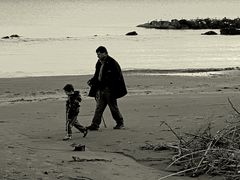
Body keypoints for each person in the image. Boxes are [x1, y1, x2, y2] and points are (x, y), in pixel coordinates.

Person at [87, 46, 127, 131]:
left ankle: (120, 123)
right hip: (101, 89)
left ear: (105, 53)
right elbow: (97, 75)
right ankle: (95, 125)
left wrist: (111, 87)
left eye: (99, 54)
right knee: (99, 107)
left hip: (110, 89)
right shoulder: (99, 63)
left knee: (113, 107)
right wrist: (92, 81)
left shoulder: (112, 63)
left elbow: (116, 77)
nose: (98, 55)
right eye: (97, 54)